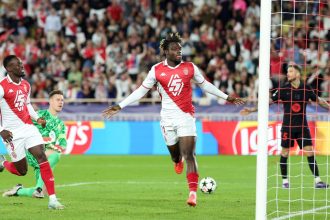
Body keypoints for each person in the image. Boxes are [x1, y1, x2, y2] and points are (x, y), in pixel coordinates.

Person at [102, 32, 246, 206]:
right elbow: (141, 91)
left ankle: (192, 193)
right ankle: (177, 161)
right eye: (175, 49)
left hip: (186, 117)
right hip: (167, 119)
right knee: (177, 157)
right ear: (166, 52)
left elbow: (205, 85)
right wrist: (120, 105)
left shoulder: (190, 67)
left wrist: (226, 97)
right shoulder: (156, 70)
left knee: (190, 155)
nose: (179, 52)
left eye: (180, 49)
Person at [240, 63, 330, 189]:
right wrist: (252, 110)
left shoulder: (306, 88)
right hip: (288, 127)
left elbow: (320, 101)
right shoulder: (283, 89)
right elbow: (268, 102)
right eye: (287, 71)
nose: (288, 73)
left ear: (298, 74)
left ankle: (318, 181)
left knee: (310, 152)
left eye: (291, 71)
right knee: (285, 152)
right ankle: (285, 181)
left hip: (302, 127)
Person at [0, 55, 64, 209]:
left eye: (21, 64)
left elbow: (27, 104)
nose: (21, 66)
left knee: (42, 157)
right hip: (12, 134)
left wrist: (37, 118)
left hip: (28, 128)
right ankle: (2, 162)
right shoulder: (2, 86)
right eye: (17, 65)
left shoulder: (26, 85)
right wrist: (1, 130)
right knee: (21, 171)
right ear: (8, 68)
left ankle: (53, 200)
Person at [3, 90, 66, 199]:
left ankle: (18, 191)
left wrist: (61, 146)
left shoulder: (61, 125)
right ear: (50, 101)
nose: (61, 102)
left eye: (62, 100)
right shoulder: (39, 116)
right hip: (32, 151)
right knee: (55, 155)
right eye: (58, 99)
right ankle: (39, 189)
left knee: (42, 193)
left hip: (44, 156)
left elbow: (63, 141)